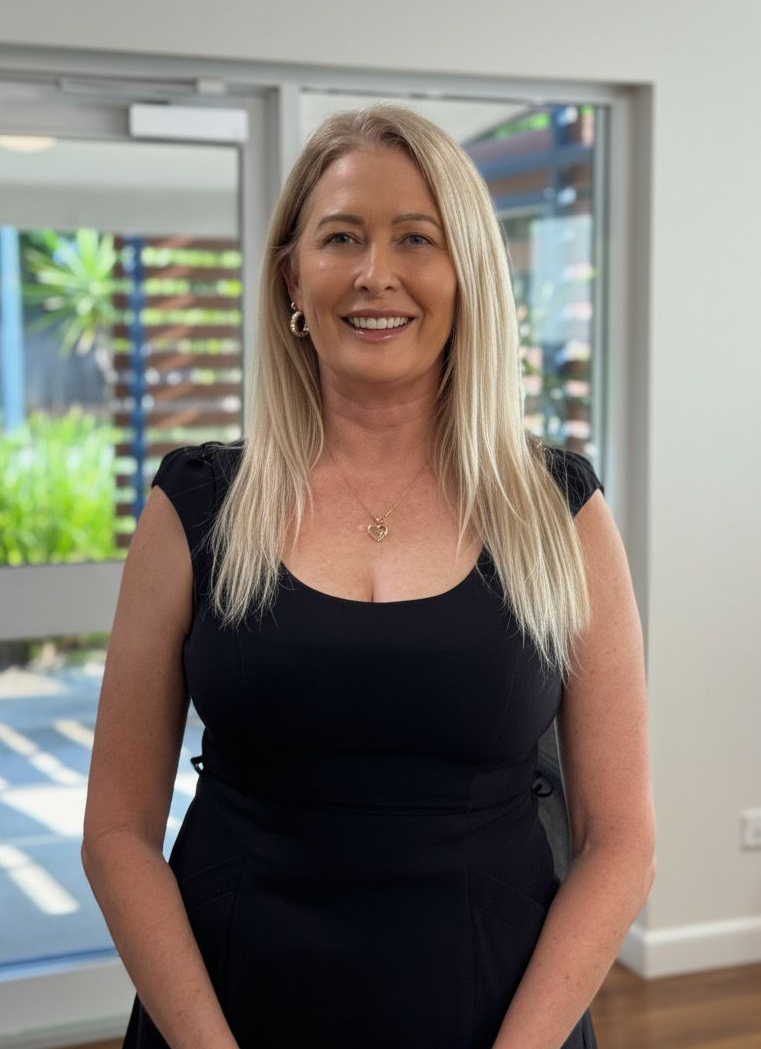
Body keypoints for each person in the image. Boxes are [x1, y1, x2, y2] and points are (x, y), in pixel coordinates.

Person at [82, 104, 656, 1049]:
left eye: (415, 238)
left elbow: (619, 840)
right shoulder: (194, 505)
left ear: (466, 275)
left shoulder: (561, 512)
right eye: (340, 236)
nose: (373, 273)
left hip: (501, 1021)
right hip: (228, 1013)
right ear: (291, 280)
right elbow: (116, 830)